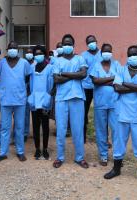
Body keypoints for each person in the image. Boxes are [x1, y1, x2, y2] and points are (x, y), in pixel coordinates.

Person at [104, 46, 137, 188]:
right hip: (122, 113)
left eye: (135, 54)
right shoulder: (121, 70)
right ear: (127, 56)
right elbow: (117, 88)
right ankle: (116, 169)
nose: (133, 57)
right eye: (130, 55)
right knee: (119, 142)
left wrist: (125, 83)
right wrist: (136, 86)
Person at [52, 34, 89, 169]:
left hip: (77, 98)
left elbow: (83, 74)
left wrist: (64, 74)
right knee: (61, 130)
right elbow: (56, 79)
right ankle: (59, 157)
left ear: (73, 45)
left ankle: (79, 157)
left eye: (69, 43)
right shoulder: (57, 61)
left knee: (77, 129)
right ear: (62, 45)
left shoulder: (80, 59)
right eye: (65, 43)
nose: (67, 46)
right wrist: (74, 75)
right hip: (61, 98)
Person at [0, 41, 32, 163]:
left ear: (18, 50)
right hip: (5, 99)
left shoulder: (24, 63)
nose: (13, 50)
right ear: (7, 49)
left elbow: (27, 77)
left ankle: (20, 151)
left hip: (20, 99)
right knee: (5, 127)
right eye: (11, 48)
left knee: (19, 127)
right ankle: (3, 152)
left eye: (15, 48)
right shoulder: (2, 63)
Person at [90, 43, 120, 166]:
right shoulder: (96, 65)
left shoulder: (117, 64)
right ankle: (103, 155)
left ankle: (117, 156)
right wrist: (111, 79)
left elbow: (119, 80)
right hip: (100, 103)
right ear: (101, 53)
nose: (107, 53)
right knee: (101, 130)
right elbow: (95, 81)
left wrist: (102, 81)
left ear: (111, 52)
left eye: (109, 51)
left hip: (114, 103)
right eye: (105, 51)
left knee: (116, 130)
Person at [28, 45, 53, 160]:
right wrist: (30, 98)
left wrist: (48, 99)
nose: (38, 55)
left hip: (45, 100)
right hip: (34, 100)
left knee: (45, 126)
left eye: (40, 53)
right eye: (36, 54)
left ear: (44, 54)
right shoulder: (32, 67)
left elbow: (51, 86)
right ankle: (37, 149)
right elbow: (30, 84)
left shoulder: (49, 68)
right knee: (36, 126)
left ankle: (45, 149)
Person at [81, 35, 102, 143]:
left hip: (100, 87)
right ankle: (83, 136)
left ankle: (103, 138)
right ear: (87, 44)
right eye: (89, 42)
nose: (91, 43)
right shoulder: (83, 55)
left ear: (96, 41)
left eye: (93, 41)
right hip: (86, 87)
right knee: (83, 112)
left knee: (101, 113)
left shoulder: (103, 54)